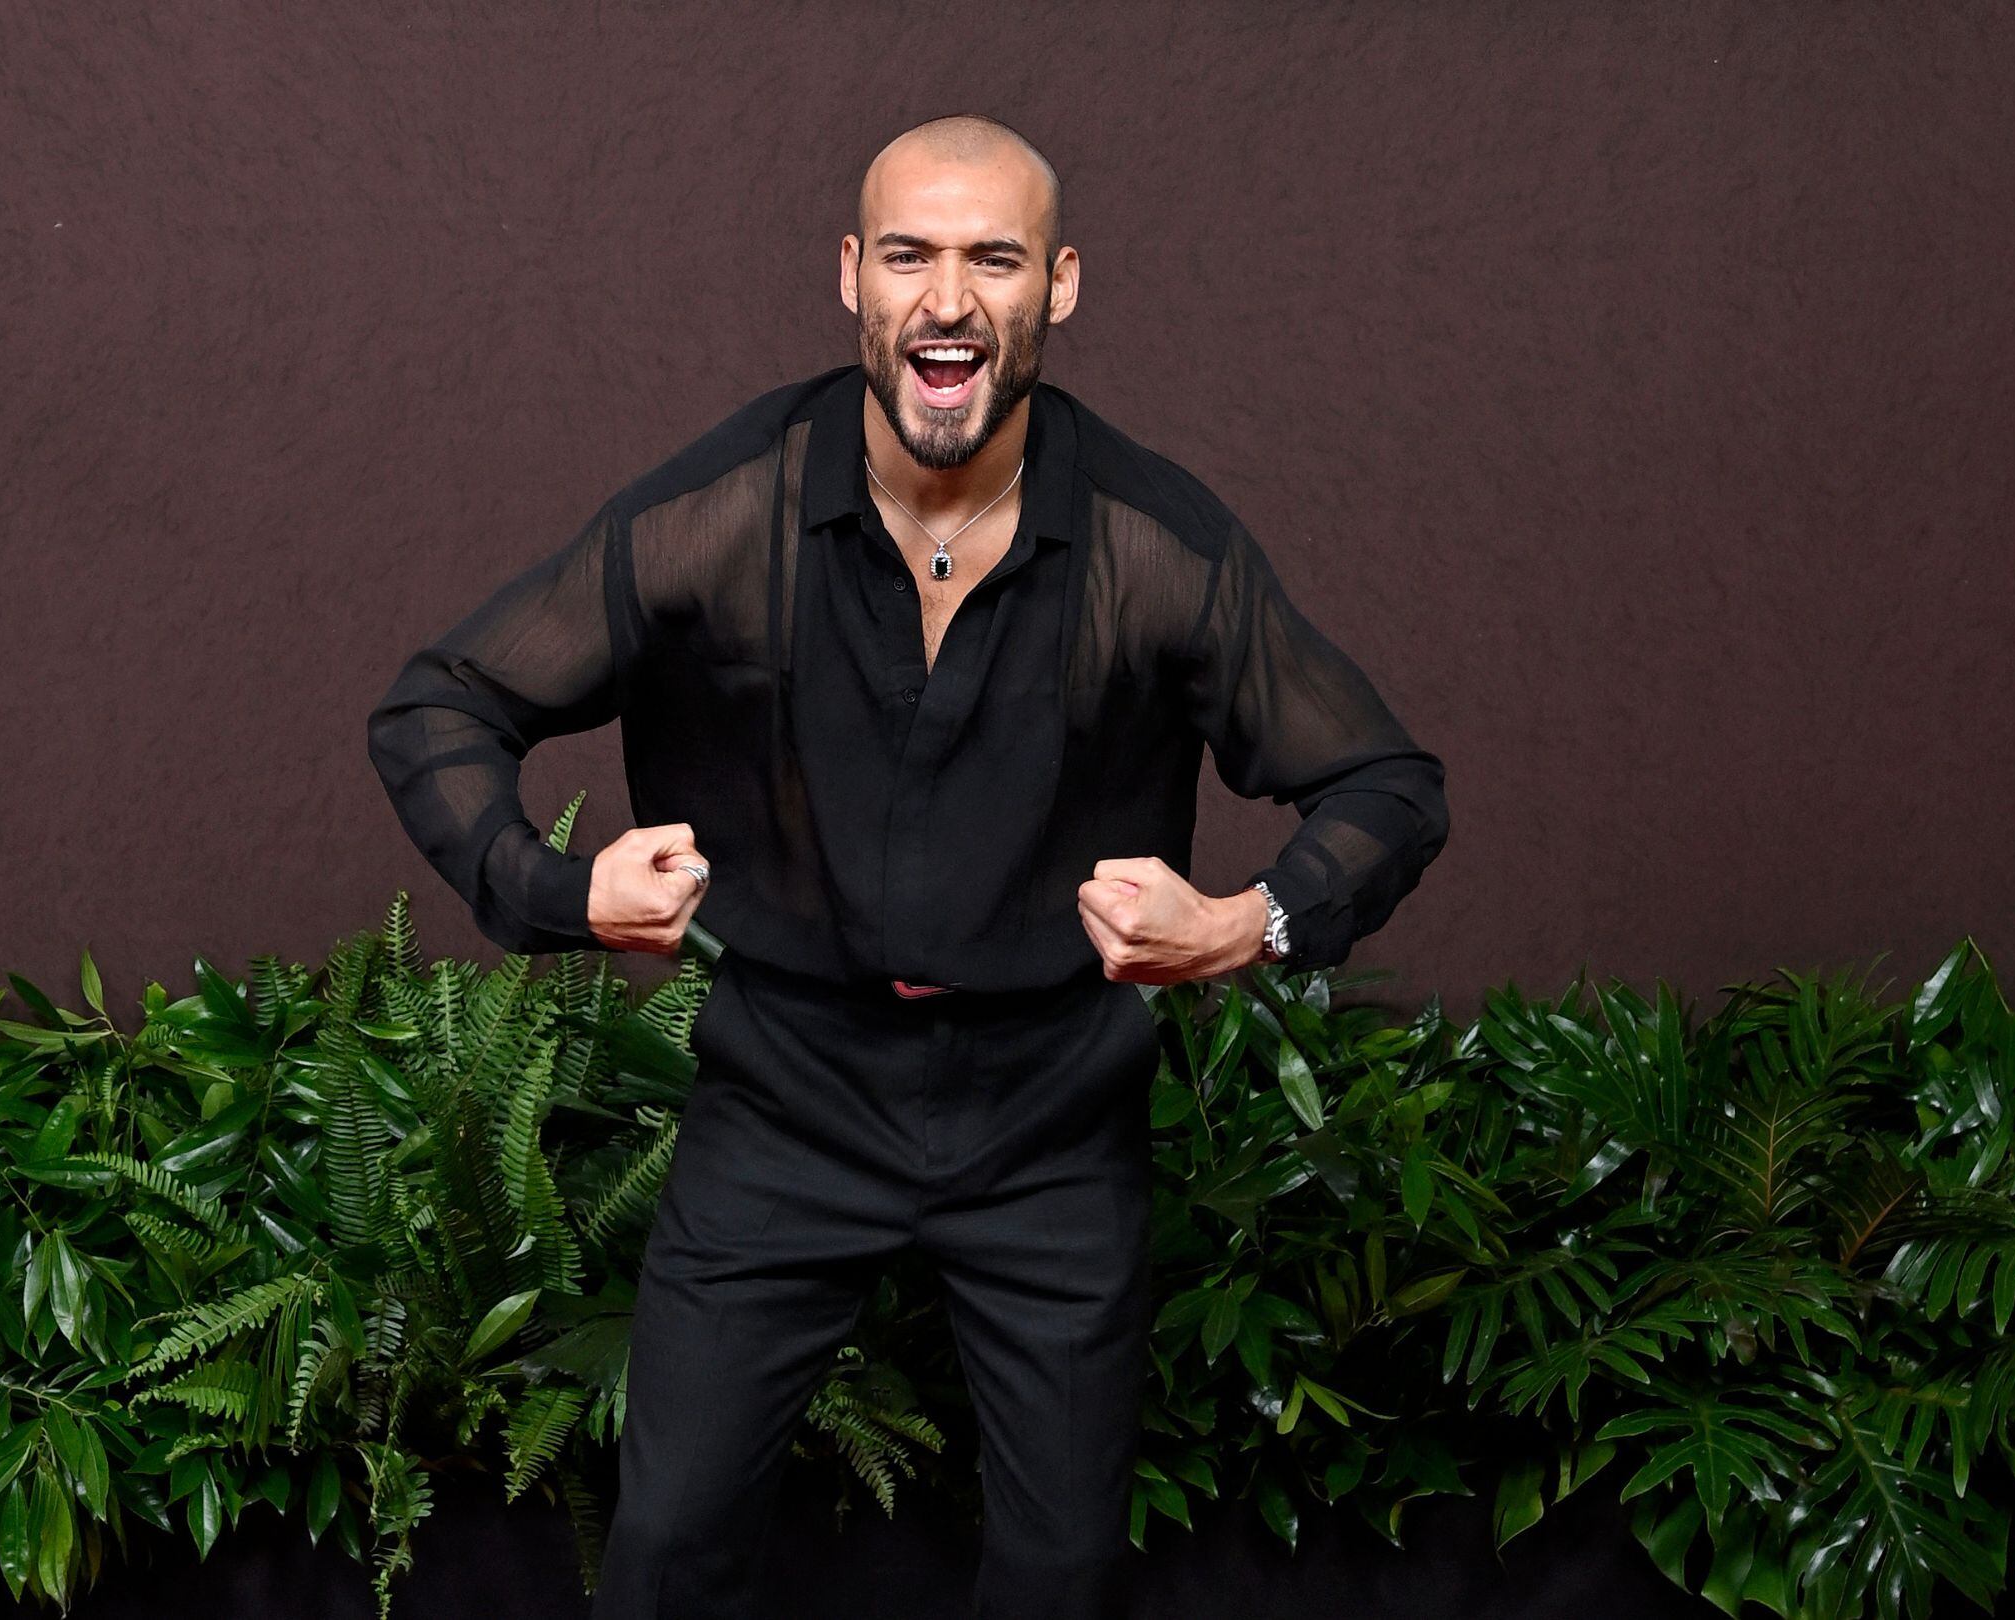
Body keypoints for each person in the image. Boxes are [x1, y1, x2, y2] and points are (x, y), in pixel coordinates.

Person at [366, 111, 1449, 1620]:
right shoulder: (721, 513)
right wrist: (561, 894)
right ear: (853, 280)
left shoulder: (1160, 546)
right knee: (668, 1547)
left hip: (1051, 1114)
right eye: (911, 256)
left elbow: (1387, 785)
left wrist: (1248, 925)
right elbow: (440, 706)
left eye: (993, 259)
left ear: (1057, 288)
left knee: (1059, 1574)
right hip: (788, 1097)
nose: (949, 299)